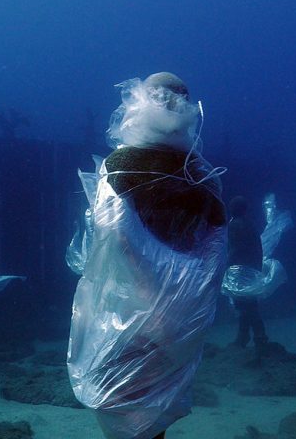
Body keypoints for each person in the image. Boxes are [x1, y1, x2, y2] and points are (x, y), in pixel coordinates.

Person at [67, 72, 227, 439]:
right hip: (184, 310)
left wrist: (144, 295)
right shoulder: (203, 175)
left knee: (125, 398)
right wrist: (186, 305)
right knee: (156, 397)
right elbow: (215, 250)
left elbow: (110, 237)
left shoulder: (121, 166)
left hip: (126, 303)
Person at [226, 196, 268, 351]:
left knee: (246, 305)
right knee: (249, 303)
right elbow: (257, 248)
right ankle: (248, 337)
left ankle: (256, 337)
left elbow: (235, 248)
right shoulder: (250, 224)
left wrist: (226, 265)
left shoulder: (235, 225)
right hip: (251, 268)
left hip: (240, 270)